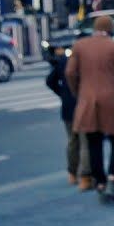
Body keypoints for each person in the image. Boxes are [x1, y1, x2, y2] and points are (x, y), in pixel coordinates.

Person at [66, 15, 114, 205]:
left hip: (87, 100)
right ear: (110, 29)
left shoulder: (79, 46)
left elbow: (70, 72)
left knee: (93, 142)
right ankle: (113, 178)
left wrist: (78, 92)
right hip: (111, 100)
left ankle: (100, 182)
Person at [45, 54, 88, 189]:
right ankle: (85, 176)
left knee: (72, 141)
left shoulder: (64, 61)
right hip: (84, 105)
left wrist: (62, 93)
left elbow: (50, 81)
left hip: (68, 106)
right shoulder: (86, 61)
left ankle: (72, 174)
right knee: (85, 142)